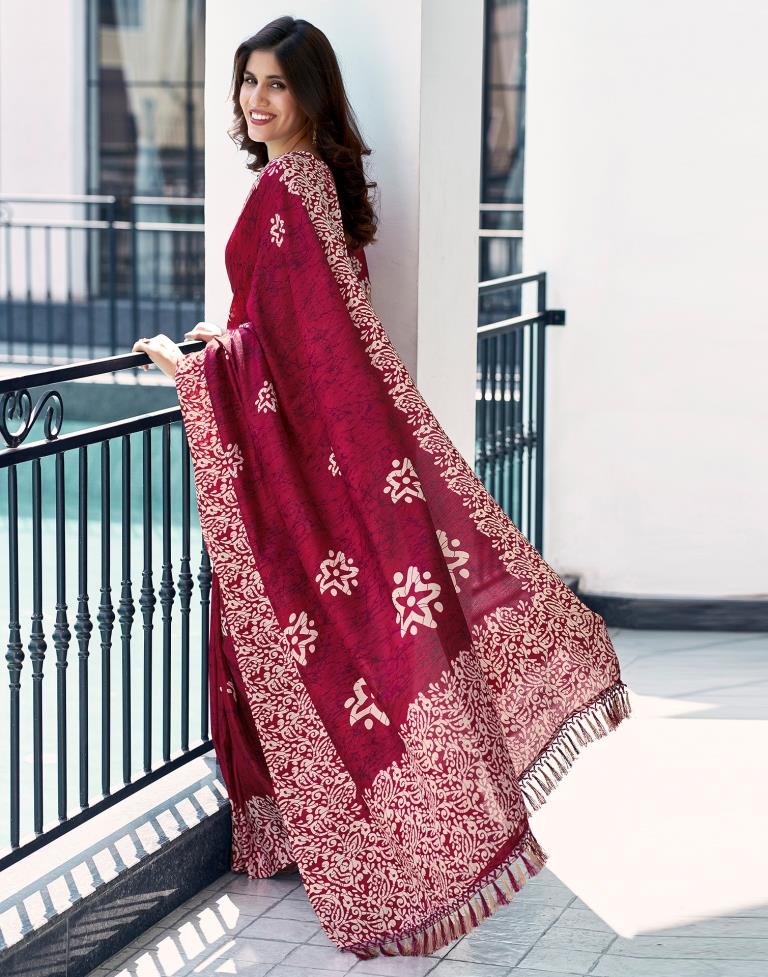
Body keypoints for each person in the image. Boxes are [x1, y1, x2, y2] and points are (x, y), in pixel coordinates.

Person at [132, 15, 631, 961]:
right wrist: (227, 336)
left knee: (332, 643)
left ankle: (384, 855)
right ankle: (396, 831)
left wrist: (188, 369)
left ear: (311, 96)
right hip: (332, 452)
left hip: (305, 460)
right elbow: (291, 322)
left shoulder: (290, 187)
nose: (256, 101)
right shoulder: (314, 183)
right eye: (247, 82)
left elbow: (297, 343)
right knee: (376, 642)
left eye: (276, 85)